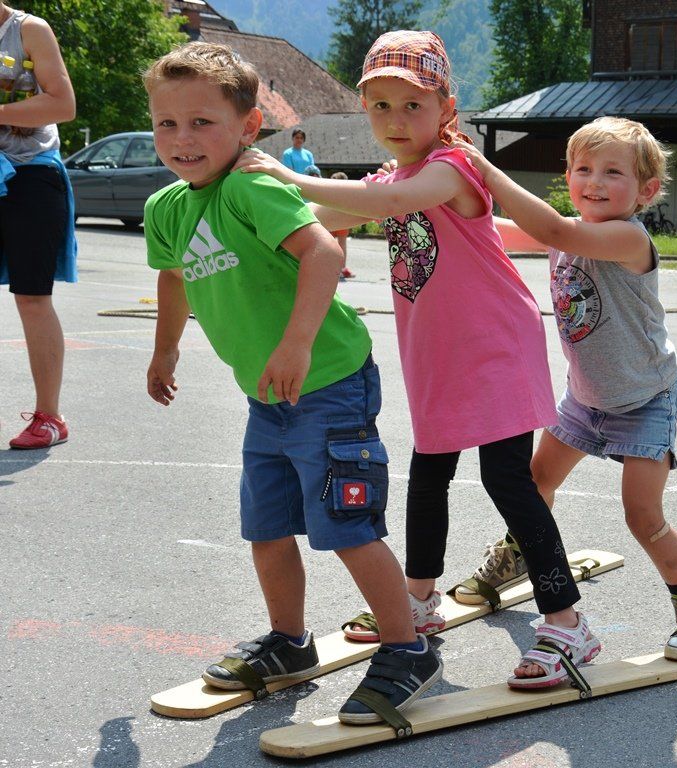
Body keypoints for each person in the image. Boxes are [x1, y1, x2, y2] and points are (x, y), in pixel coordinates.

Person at [234, 30, 600, 692]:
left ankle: (568, 622)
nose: (396, 120)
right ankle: (420, 600)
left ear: (445, 109)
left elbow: (390, 204)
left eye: (413, 105)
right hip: (438, 356)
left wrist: (287, 174)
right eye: (381, 106)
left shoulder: (452, 168)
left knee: (508, 482)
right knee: (428, 476)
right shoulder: (389, 176)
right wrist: (246, 215)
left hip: (495, 348)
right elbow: (322, 218)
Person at [141, 42, 440, 725]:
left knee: (346, 523)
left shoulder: (252, 187)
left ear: (249, 126)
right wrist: (165, 350)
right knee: (268, 525)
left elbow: (324, 251)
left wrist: (296, 344)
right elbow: (174, 277)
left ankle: (407, 648)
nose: (183, 139)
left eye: (202, 122)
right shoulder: (167, 206)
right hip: (266, 395)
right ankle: (289, 642)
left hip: (327, 381)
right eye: (167, 124)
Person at [452, 116, 677, 665]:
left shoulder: (628, 237)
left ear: (646, 190)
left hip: (645, 399)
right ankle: (517, 556)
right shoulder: (566, 227)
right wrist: (441, 198)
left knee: (642, 517)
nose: (594, 182)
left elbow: (554, 231)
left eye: (612, 173)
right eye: (583, 169)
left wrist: (485, 168)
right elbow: (496, 228)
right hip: (584, 398)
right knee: (535, 485)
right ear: (568, 175)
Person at [0, 3, 76, 449]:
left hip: (31, 173)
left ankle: (50, 417)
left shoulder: (29, 30)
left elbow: (63, 104)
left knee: (32, 297)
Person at [329, 171, 354, 280]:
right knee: (342, 244)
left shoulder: (329, 192)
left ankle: (331, 268)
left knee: (329, 244)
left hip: (331, 220)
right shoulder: (347, 193)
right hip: (343, 220)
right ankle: (342, 268)